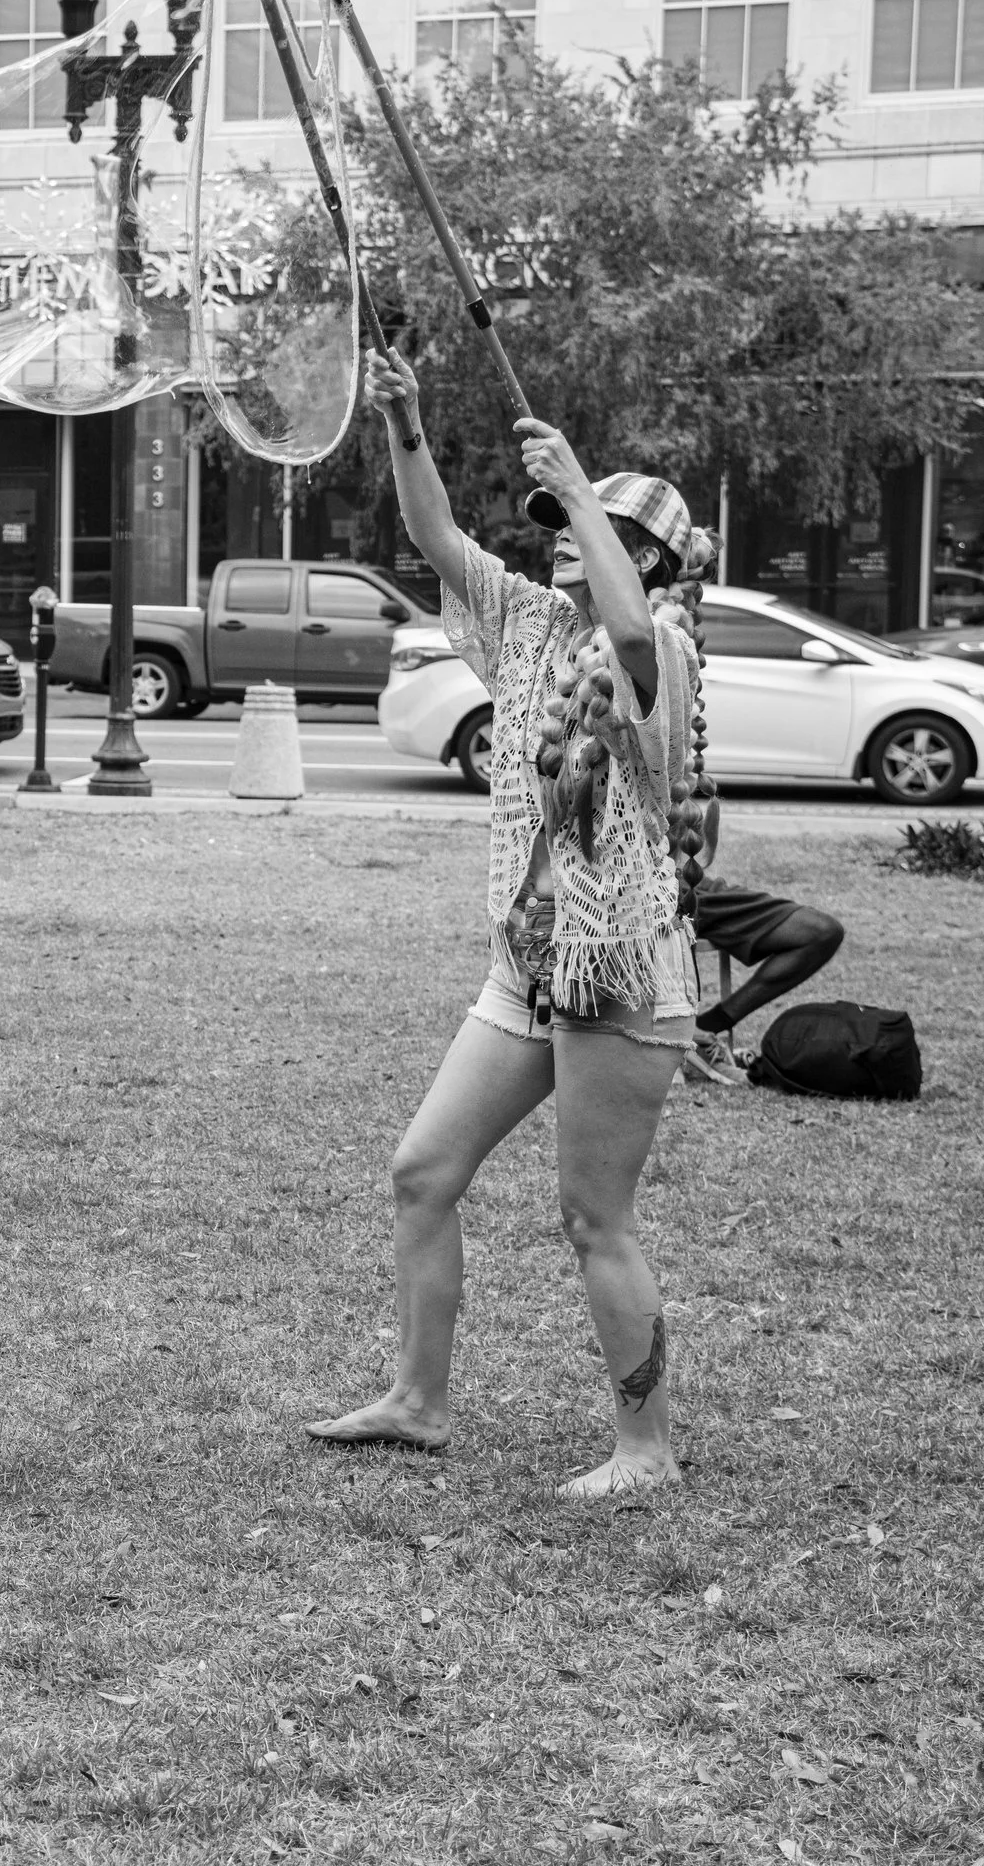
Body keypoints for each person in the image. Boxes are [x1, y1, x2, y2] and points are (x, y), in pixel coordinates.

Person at [307, 349, 716, 1502]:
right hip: (528, 964)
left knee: (592, 1216)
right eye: (549, 517)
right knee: (421, 1171)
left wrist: (588, 490)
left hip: (623, 970)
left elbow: (632, 637)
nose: (550, 534)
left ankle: (647, 1448)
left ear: (640, 555)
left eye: (575, 524)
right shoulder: (530, 624)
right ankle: (419, 1400)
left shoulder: (660, 650)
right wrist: (406, 424)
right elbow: (438, 538)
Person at [684, 801, 847, 1081]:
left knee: (821, 931)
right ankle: (677, 1036)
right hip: (628, 887)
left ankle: (707, 1026)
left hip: (688, 883)